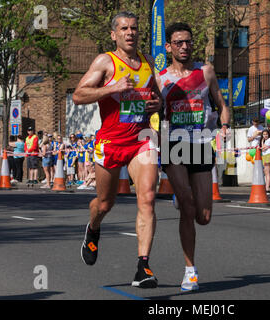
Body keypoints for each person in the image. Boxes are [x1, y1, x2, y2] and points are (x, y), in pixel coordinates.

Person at [72, 11, 162, 288]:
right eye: (124, 28)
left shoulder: (148, 62)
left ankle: (143, 267)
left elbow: (158, 96)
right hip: (111, 142)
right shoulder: (105, 61)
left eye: (134, 28)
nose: (130, 32)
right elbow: (78, 95)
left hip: (142, 139)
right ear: (114, 34)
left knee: (147, 197)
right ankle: (93, 228)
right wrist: (110, 88)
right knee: (104, 203)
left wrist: (157, 105)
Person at [157, 22, 230, 291]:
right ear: (169, 47)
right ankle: (190, 271)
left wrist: (223, 126)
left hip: (200, 143)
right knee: (188, 209)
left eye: (188, 41)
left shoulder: (206, 71)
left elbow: (222, 104)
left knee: (204, 217)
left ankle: (181, 195)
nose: (184, 46)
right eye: (178, 42)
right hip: (173, 144)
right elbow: (152, 110)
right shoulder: (160, 79)